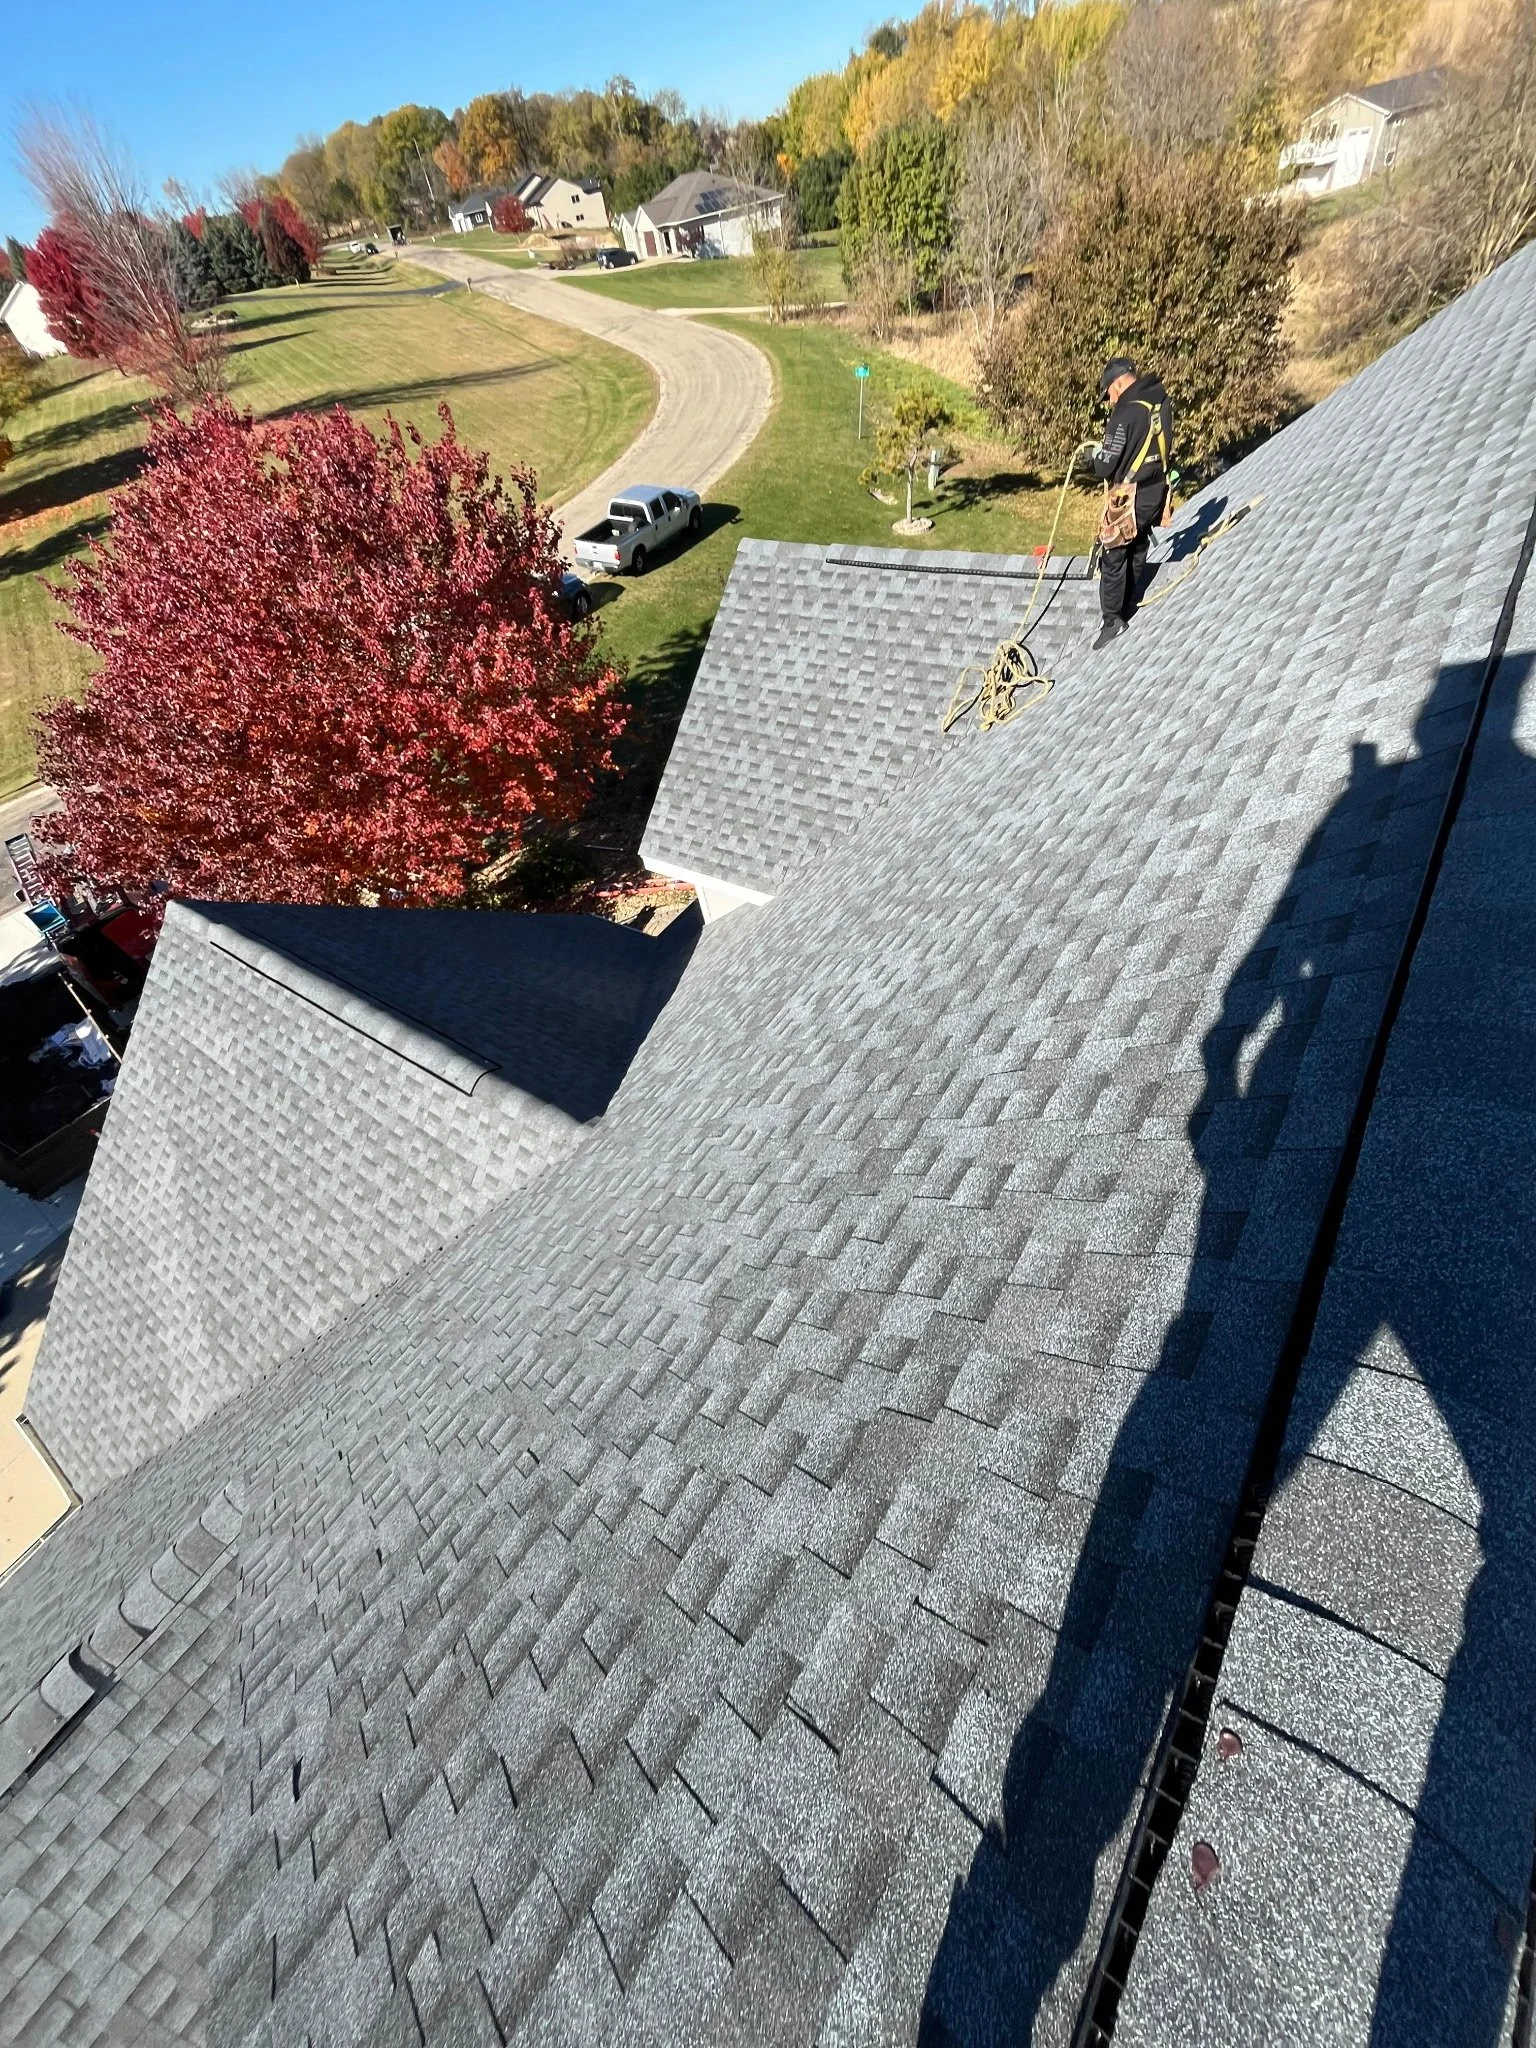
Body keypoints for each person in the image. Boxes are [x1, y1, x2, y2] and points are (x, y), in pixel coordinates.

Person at [1089, 356, 1174, 651]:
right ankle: (1130, 602)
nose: (1110, 400)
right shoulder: (1160, 401)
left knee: (1114, 554)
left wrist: (1093, 458)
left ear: (1118, 383)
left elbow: (1106, 465)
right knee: (1138, 545)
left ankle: (1112, 620)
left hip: (1130, 497)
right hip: (1156, 490)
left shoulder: (1124, 414)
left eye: (1109, 394)